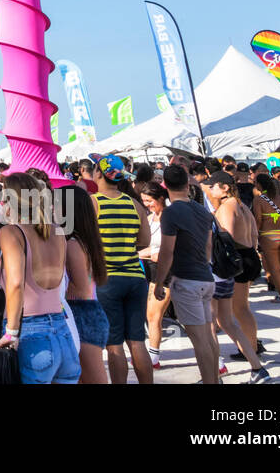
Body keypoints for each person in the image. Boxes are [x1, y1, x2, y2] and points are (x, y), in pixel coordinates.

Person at [0, 173, 79, 385]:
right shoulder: (57, 231)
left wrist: (11, 333)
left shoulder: (11, 232)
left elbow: (15, 284)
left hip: (31, 333)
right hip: (62, 332)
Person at [152, 164, 220, 384]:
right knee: (208, 337)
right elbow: (209, 247)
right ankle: (214, 380)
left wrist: (160, 282)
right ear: (187, 183)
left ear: (165, 186)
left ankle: (210, 381)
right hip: (205, 277)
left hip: (186, 279)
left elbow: (167, 251)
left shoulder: (171, 213)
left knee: (199, 339)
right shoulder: (202, 210)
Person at [91, 155, 152, 384]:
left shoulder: (92, 203)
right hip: (136, 277)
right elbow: (144, 241)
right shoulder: (134, 204)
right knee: (137, 341)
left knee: (114, 345)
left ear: (99, 174)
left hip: (108, 279)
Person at [206, 172, 270, 381]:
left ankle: (249, 349)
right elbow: (253, 235)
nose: (211, 190)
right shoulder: (241, 205)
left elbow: (228, 237)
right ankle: (250, 348)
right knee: (241, 308)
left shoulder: (227, 207)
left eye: (213, 186)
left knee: (236, 310)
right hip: (249, 255)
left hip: (237, 260)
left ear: (224, 188)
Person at [65, 184, 110, 385]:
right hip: (88, 313)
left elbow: (81, 290)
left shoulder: (73, 244)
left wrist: (48, 287)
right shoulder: (84, 239)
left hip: (83, 314)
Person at [137, 181, 173, 370]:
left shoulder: (169, 217)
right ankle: (154, 357)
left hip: (169, 272)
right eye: (144, 201)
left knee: (192, 322)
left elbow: (162, 251)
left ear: (161, 198)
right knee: (153, 315)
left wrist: (140, 254)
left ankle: (153, 358)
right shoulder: (150, 218)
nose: (147, 204)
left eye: (149, 200)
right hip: (153, 272)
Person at [254, 174, 280, 302]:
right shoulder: (278, 198)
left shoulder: (258, 200)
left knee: (275, 268)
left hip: (269, 236)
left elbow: (258, 220)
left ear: (260, 185)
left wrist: (255, 237)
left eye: (256, 182)